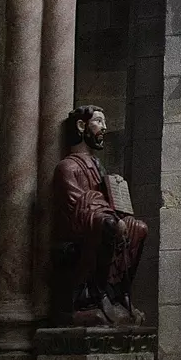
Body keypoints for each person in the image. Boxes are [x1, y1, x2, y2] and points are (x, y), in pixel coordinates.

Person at [53, 105, 147, 327]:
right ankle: (93, 296)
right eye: (98, 122)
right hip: (82, 231)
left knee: (139, 228)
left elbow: (105, 202)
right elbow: (77, 205)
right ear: (81, 126)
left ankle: (118, 293)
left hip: (104, 219)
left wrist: (116, 190)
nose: (104, 127)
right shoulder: (67, 167)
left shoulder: (98, 167)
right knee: (108, 224)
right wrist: (107, 213)